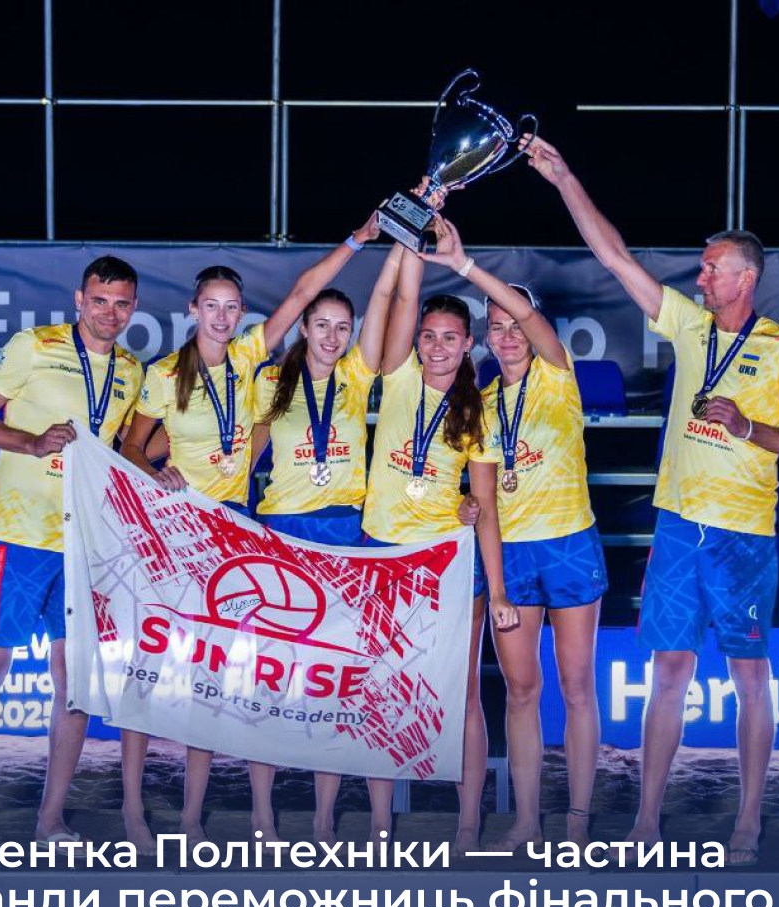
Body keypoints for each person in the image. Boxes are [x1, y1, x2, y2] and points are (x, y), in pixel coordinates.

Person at [523, 135, 779, 865]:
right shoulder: (689, 326)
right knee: (668, 673)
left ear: (744, 277)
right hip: (681, 528)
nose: (701, 274)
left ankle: (748, 823)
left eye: (712, 268)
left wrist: (751, 426)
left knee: (750, 676)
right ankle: (647, 821)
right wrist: (565, 178)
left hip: (744, 533)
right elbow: (614, 257)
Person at [119, 215, 382, 854]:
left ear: (240, 314)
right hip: (182, 527)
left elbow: (301, 294)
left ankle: (190, 815)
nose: (221, 317)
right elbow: (130, 447)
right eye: (211, 306)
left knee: (214, 679)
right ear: (193, 309)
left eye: (231, 307)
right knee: (154, 670)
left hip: (238, 526)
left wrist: (355, 241)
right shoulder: (163, 373)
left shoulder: (248, 359)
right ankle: (130, 806)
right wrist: (160, 469)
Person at [0, 255, 144, 854]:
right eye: (101, 300)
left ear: (133, 308)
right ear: (79, 299)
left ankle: (50, 820)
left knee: (72, 685)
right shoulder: (34, 345)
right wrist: (29, 442)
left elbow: (123, 451)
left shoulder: (131, 370)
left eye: (123, 303)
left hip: (85, 545)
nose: (111, 313)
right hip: (18, 533)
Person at [422, 217, 607, 852]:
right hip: (514, 556)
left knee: (578, 689)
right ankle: (528, 820)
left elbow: (531, 324)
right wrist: (470, 513)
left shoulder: (559, 376)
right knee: (523, 692)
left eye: (515, 324)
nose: (506, 336)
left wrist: (466, 263)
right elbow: (483, 497)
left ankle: (578, 822)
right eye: (494, 327)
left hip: (570, 544)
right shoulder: (484, 403)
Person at [363, 241, 520, 852]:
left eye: (449, 338)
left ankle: (468, 821)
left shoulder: (478, 411)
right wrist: (412, 240)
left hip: (449, 566)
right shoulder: (399, 373)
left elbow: (485, 510)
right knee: (383, 688)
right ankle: (380, 823)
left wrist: (499, 588)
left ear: (468, 344)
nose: (435, 346)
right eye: (428, 335)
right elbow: (402, 295)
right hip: (383, 553)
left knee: (463, 695)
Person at [253, 244, 401, 843]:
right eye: (322, 325)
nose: (333, 336)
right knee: (271, 679)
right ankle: (262, 809)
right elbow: (248, 457)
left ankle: (322, 815)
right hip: (283, 531)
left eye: (343, 327)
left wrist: (397, 248)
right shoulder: (270, 381)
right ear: (305, 328)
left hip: (344, 532)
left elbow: (387, 301)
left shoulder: (357, 375)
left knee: (338, 681)